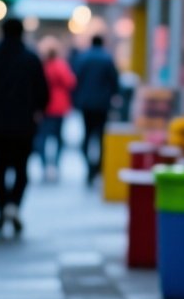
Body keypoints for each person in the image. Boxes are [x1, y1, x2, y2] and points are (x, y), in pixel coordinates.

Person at [0, 17, 47, 235]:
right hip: (24, 124)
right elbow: (43, 91)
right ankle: (14, 205)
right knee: (22, 168)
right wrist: (38, 111)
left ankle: (2, 207)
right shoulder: (31, 58)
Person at [73, 34, 120, 186]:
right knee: (101, 137)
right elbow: (114, 81)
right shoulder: (107, 58)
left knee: (87, 135)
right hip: (102, 104)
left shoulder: (83, 58)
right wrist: (114, 96)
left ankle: (89, 167)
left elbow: (75, 79)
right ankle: (98, 167)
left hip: (86, 104)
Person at [34, 38, 76, 182]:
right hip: (59, 106)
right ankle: (55, 165)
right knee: (58, 137)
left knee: (42, 137)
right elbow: (70, 82)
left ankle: (45, 165)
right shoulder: (60, 65)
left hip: (44, 106)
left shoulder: (41, 66)